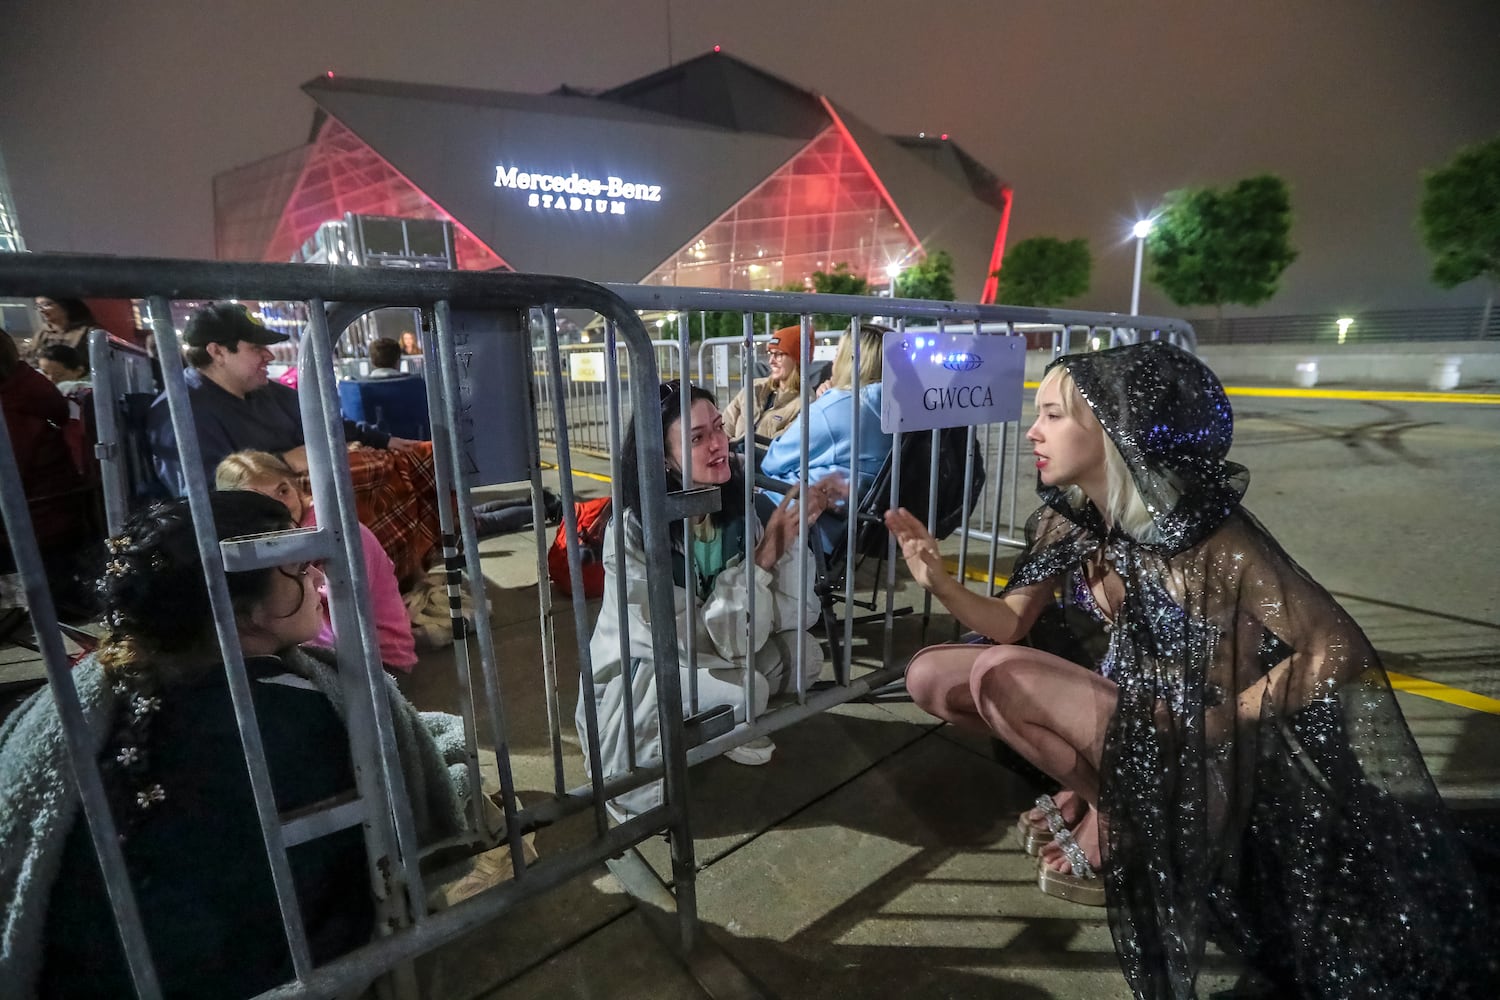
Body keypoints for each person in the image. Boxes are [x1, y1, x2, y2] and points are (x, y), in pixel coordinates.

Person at [887, 341, 1495, 997]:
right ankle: (1105, 796)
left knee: (997, 675)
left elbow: (1334, 649)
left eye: (1054, 415)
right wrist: (939, 581)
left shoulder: (1207, 538)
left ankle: (1119, 821)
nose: (1033, 431)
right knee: (932, 675)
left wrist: (1219, 722)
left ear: (1115, 431)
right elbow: (1008, 621)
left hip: (1198, 749)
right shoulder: (1069, 524)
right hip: (1132, 717)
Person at [0, 491, 471, 999]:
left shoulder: (86, 693)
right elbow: (376, 857)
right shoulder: (303, 724)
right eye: (297, 569)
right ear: (244, 610)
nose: (318, 581)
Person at [576, 381, 842, 819]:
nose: (719, 444)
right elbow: (676, 643)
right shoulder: (633, 530)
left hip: (715, 649)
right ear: (662, 458)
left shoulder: (737, 507)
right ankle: (641, 787)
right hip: (646, 672)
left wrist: (790, 540)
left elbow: (795, 615)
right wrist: (762, 559)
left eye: (719, 427)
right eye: (697, 438)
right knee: (749, 689)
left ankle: (716, 726)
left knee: (804, 656)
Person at [146, 302, 422, 492]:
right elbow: (200, 498)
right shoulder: (180, 413)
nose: (270, 356)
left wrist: (384, 440)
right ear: (217, 352)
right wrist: (283, 463)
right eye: (256, 348)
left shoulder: (266, 392)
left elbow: (324, 422)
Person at [215, 450, 417, 672]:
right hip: (330, 647)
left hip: (380, 657)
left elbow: (342, 613)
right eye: (260, 501)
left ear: (297, 486)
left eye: (283, 490)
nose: (279, 506)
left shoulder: (338, 533)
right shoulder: (265, 545)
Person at [759, 323, 892, 503]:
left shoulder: (835, 408)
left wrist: (828, 401)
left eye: (838, 354)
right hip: (851, 510)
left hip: (794, 509)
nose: (833, 362)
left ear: (851, 360)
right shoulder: (897, 409)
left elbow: (772, 463)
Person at [720, 324, 804, 444]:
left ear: (796, 360)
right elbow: (724, 425)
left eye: (779, 354)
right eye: (770, 353)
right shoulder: (753, 388)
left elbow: (778, 448)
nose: (771, 361)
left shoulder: (804, 405)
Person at [25, 297, 101, 361]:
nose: (41, 310)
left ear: (65, 305)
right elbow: (30, 358)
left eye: (46, 305)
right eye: (38, 306)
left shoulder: (90, 332)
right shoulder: (42, 333)